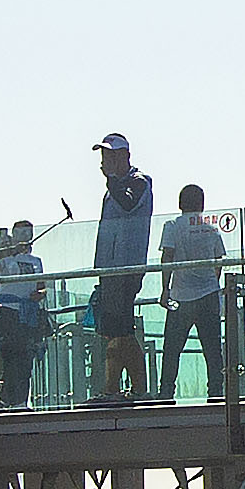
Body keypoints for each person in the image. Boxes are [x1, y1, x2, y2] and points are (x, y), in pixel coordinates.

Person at [85, 135, 156, 404]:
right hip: (110, 268)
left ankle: (133, 389)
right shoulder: (112, 188)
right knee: (115, 330)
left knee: (121, 330)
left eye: (111, 155)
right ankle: (115, 390)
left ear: (125, 155)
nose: (105, 160)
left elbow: (128, 203)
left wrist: (112, 179)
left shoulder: (139, 182)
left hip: (126, 267)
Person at [156, 182, 232, 405]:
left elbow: (167, 258)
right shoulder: (211, 228)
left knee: (172, 348)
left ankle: (166, 393)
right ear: (202, 204)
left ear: (180, 204)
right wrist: (212, 283)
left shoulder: (172, 226)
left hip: (181, 296)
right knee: (212, 348)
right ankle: (216, 393)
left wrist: (164, 289)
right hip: (209, 294)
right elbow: (219, 261)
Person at [0, 218, 55, 409]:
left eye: (28, 233)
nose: (26, 237)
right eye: (21, 233)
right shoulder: (6, 259)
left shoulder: (36, 261)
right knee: (9, 354)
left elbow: (42, 286)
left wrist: (39, 294)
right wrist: (1, 250)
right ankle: (6, 397)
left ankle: (21, 400)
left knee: (25, 356)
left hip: (28, 312)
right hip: (7, 311)